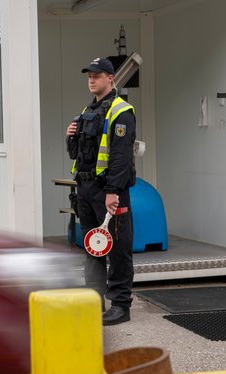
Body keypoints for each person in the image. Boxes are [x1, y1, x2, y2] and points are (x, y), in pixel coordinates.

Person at [66, 56, 136, 325]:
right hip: (84, 188)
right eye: (89, 76)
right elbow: (80, 153)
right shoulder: (87, 111)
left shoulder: (121, 111)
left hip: (107, 191)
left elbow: (120, 157)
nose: (91, 80)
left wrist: (112, 191)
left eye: (97, 75)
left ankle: (121, 305)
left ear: (111, 78)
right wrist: (70, 135)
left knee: (118, 247)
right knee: (93, 247)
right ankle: (94, 300)